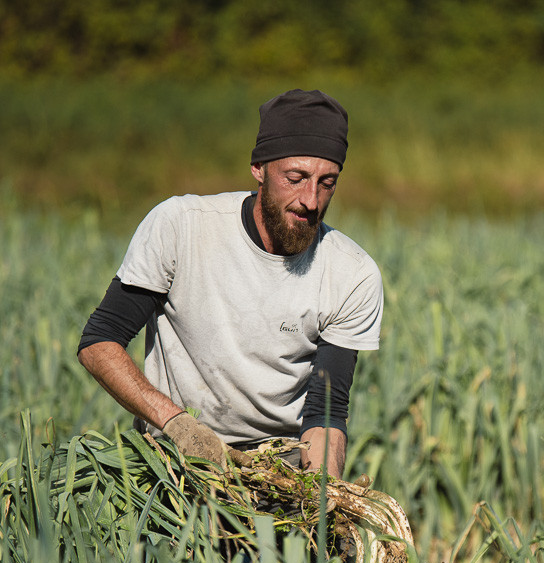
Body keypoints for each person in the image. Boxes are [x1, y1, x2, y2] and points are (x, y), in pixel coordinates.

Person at [77, 89, 383, 479]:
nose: (311, 199)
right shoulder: (183, 227)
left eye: (327, 183)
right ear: (259, 169)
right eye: (296, 178)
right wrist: (178, 425)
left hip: (278, 471)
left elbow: (325, 411)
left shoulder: (352, 273)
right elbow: (99, 342)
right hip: (174, 461)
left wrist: (322, 502)